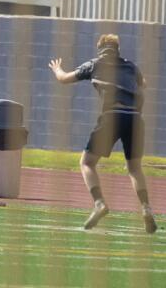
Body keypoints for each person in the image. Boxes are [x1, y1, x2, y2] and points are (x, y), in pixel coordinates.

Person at [49, 33, 157, 233]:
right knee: (134, 168)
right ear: (117, 49)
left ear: (100, 49)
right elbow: (144, 85)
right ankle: (146, 208)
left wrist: (57, 69)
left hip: (112, 116)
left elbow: (64, 79)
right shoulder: (131, 66)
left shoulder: (95, 64)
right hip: (134, 118)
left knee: (87, 162)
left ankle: (99, 203)